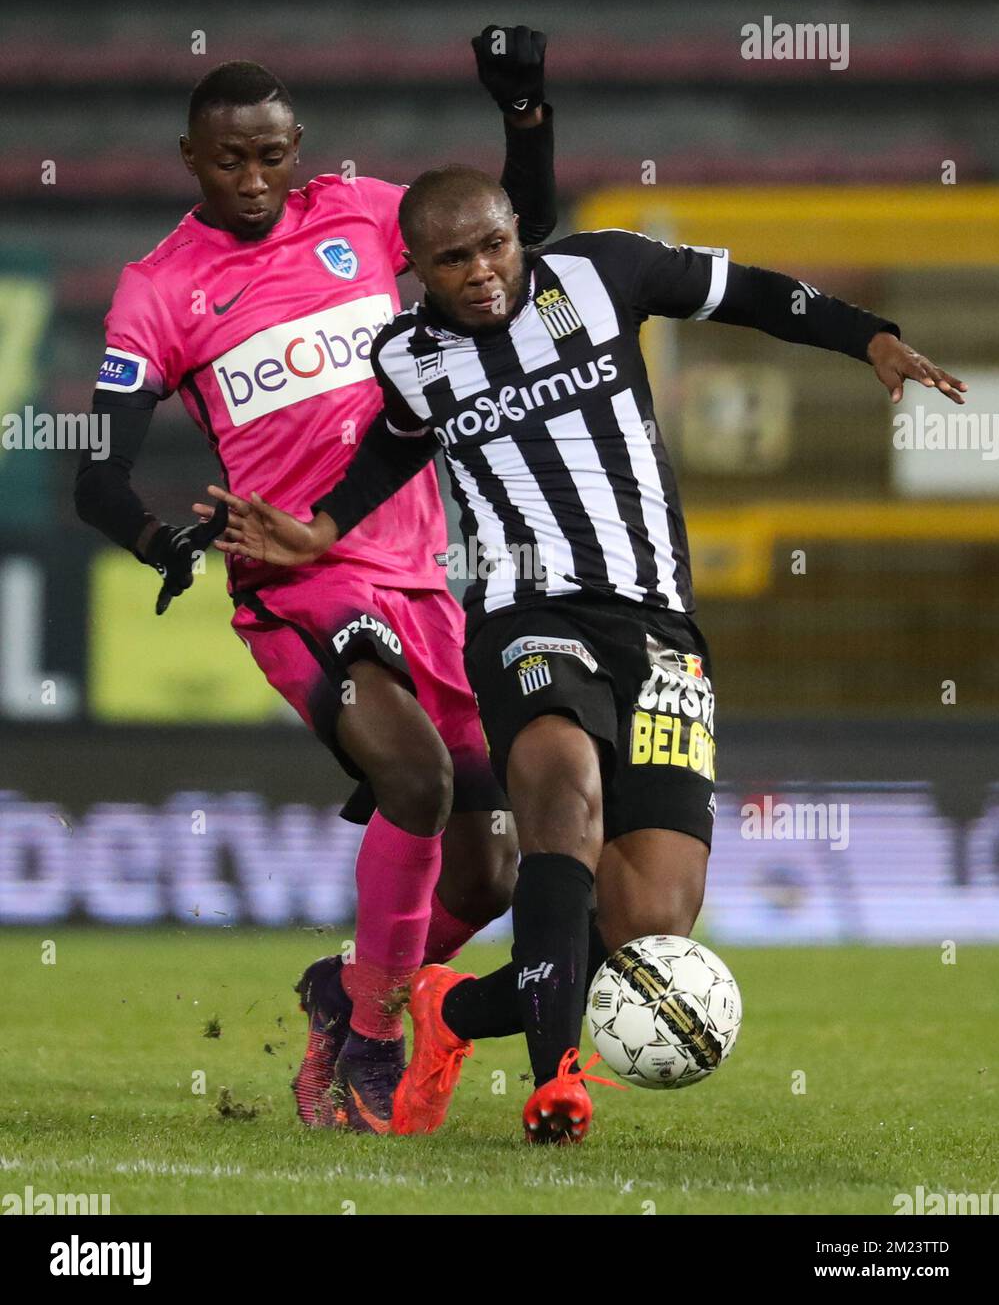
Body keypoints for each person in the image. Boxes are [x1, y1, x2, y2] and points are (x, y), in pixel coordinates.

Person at [206, 165, 966, 1144]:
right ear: (415, 270)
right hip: (527, 609)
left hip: (658, 626)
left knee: (648, 924)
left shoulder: (606, 273)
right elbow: (393, 451)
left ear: (518, 234)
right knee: (560, 798)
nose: (481, 272)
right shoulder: (408, 355)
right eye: (453, 259)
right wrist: (320, 531)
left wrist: (866, 334)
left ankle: (449, 1012)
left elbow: (755, 293)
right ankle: (555, 1081)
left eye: (493, 246)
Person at [75, 32, 558, 1135]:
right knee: (418, 781)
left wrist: (525, 117)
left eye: (274, 157)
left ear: (300, 152)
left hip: (426, 579)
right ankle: (374, 1050)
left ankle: (344, 992)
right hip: (297, 579)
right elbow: (96, 477)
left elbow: (510, 234)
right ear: (189, 155)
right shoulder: (156, 291)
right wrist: (162, 542)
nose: (255, 181)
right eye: (231, 160)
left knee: (486, 874)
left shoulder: (357, 214)